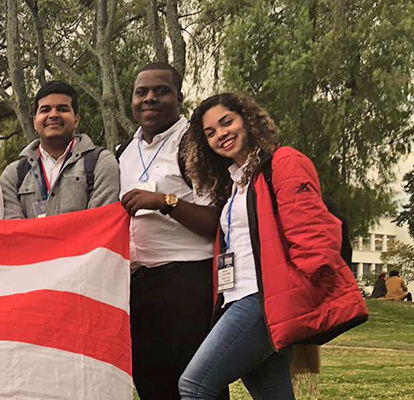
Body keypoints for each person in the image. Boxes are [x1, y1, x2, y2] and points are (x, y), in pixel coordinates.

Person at [178, 92, 368, 399]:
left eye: (227, 122)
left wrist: (299, 294)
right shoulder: (235, 183)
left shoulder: (284, 162)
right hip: (239, 297)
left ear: (248, 120)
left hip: (263, 300)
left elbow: (315, 234)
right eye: (210, 133)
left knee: (195, 385)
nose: (221, 134)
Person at [116, 62, 219, 400]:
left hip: (187, 283)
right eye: (141, 92)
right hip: (138, 286)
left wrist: (166, 201)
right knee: (150, 384)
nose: (149, 99)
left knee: (198, 387)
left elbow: (215, 223)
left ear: (179, 97)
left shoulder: (196, 144)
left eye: (161, 91)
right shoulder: (124, 152)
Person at [0, 81, 119, 218]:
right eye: (45, 110)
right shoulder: (13, 175)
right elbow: (14, 232)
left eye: (62, 109)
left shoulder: (101, 163)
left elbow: (100, 224)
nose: (53, 115)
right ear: (35, 122)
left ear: (76, 120)